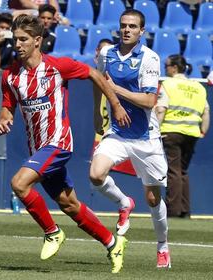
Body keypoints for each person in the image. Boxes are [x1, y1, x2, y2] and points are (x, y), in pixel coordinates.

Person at [0, 14, 131, 274]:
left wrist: (114, 104)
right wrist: (4, 117)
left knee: (19, 184)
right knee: (69, 205)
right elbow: (7, 105)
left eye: (23, 39)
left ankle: (52, 232)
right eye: (15, 40)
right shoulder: (10, 76)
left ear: (37, 41)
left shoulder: (57, 67)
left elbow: (93, 73)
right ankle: (112, 243)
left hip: (58, 142)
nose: (18, 44)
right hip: (38, 149)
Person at [89, 9, 171, 268]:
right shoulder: (106, 53)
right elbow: (97, 80)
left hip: (146, 137)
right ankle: (124, 203)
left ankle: (162, 246)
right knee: (95, 174)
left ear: (141, 31)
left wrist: (116, 91)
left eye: (132, 27)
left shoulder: (149, 58)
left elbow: (149, 101)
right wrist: (97, 109)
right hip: (118, 133)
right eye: (123, 25)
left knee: (153, 199)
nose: (126, 30)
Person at [155, 54, 210, 219]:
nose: (165, 69)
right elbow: (206, 112)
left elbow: (161, 109)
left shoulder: (168, 84)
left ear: (174, 68)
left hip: (171, 131)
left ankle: (173, 210)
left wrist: (155, 130)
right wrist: (202, 131)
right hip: (192, 133)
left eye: (166, 66)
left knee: (173, 171)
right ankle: (185, 210)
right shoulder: (198, 87)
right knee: (183, 171)